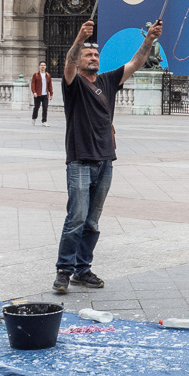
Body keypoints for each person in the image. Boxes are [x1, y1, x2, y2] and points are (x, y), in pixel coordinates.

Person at [53, 18, 164, 294]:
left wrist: (149, 39)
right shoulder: (73, 84)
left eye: (96, 54)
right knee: (76, 217)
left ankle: (83, 269)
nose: (93, 57)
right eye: (88, 55)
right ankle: (64, 271)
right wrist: (79, 39)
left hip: (105, 160)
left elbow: (136, 63)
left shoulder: (108, 80)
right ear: (79, 61)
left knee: (92, 220)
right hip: (79, 160)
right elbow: (66, 65)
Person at [31, 61, 53, 127]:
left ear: (45, 67)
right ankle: (34, 118)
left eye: (44, 65)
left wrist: (51, 93)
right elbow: (33, 84)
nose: (43, 66)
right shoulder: (36, 74)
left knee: (45, 107)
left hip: (45, 94)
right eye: (41, 65)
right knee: (36, 107)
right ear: (39, 66)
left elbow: (50, 85)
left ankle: (44, 121)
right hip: (38, 94)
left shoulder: (48, 75)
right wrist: (34, 92)